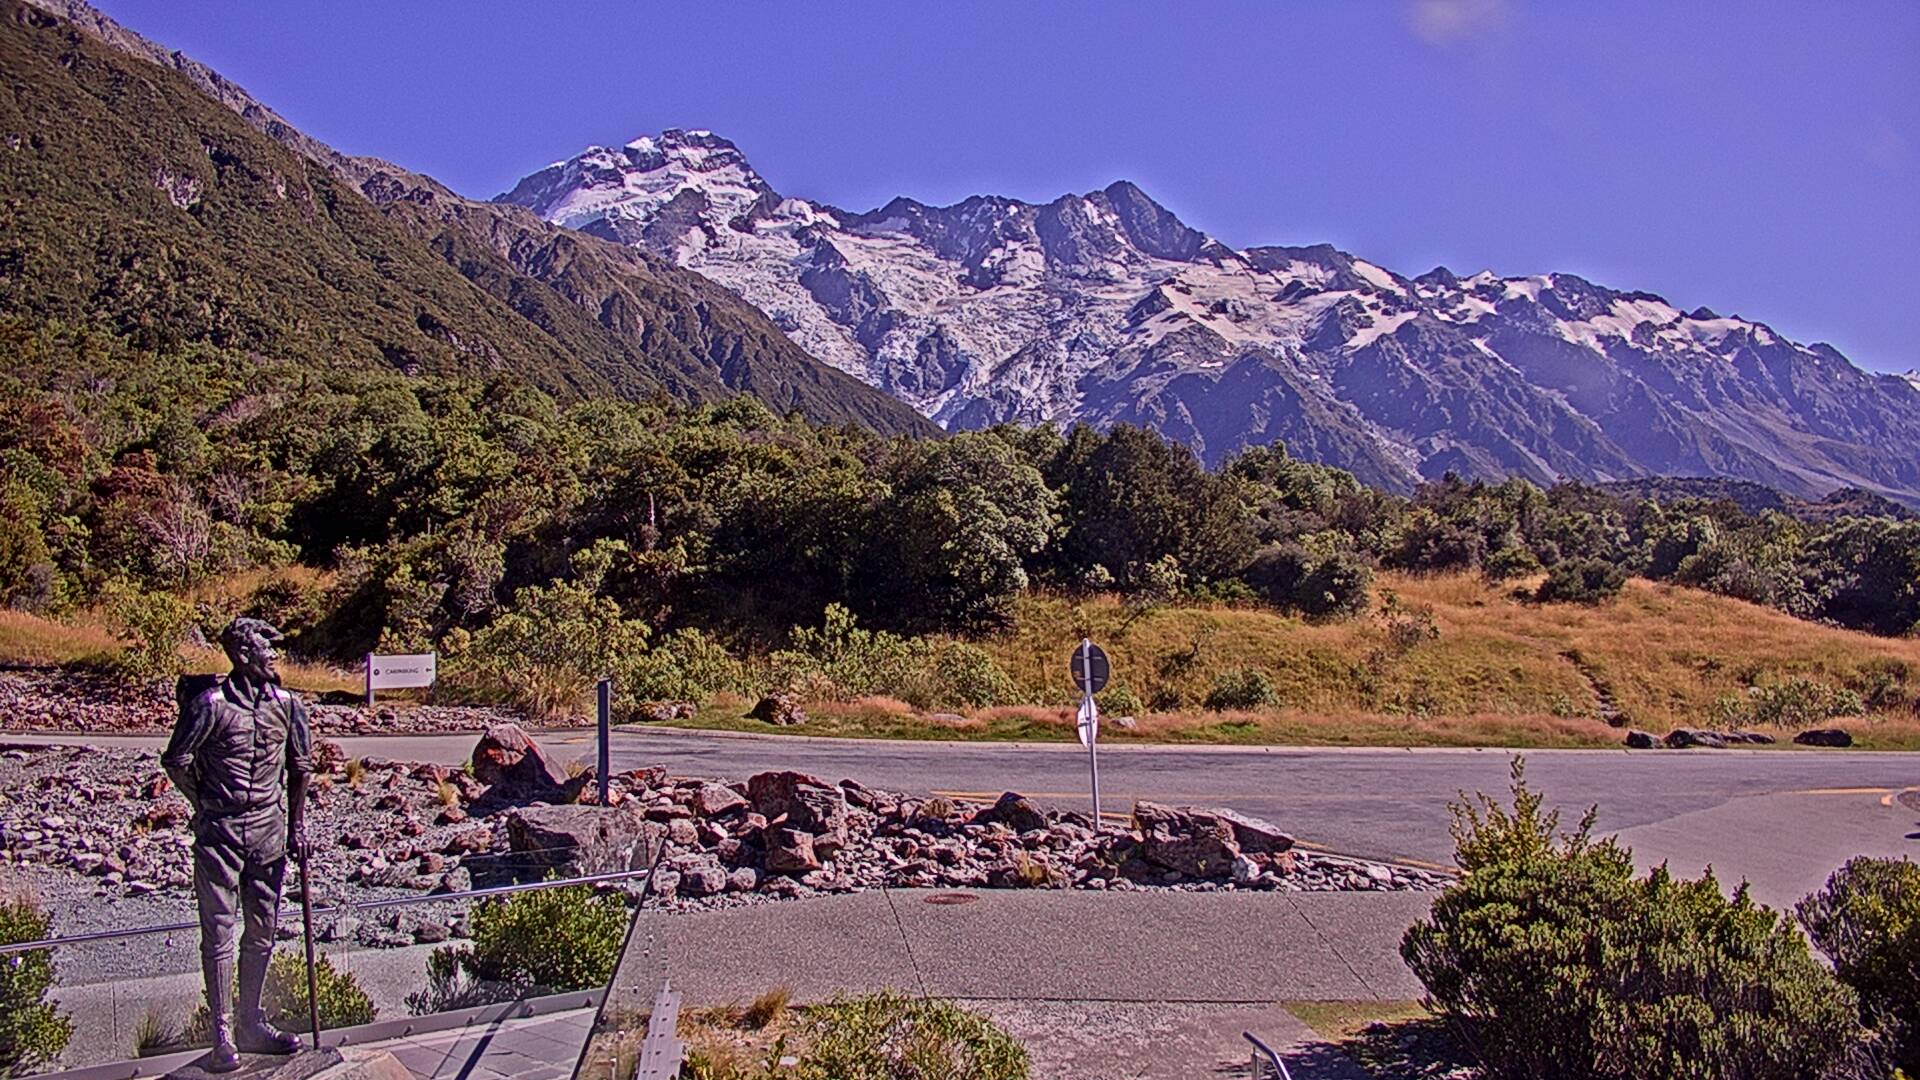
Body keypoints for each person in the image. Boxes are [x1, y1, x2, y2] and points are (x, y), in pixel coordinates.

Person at [162, 617, 314, 1070]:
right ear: (243, 655)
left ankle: (251, 1021)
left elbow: (301, 766)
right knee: (220, 934)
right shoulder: (209, 704)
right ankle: (222, 1032)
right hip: (221, 835)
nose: (275, 658)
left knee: (264, 930)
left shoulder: (286, 704)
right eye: (268, 650)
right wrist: (204, 803)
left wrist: (298, 827)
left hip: (269, 832)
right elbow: (177, 760)